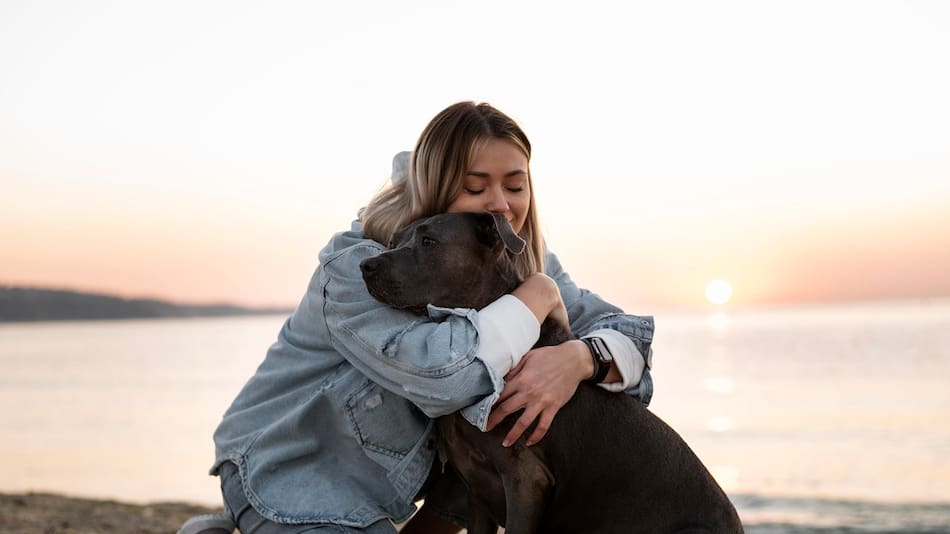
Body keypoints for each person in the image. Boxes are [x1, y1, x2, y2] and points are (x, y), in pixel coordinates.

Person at [197, 102, 654, 534]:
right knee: (479, 405)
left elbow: (632, 338)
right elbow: (447, 379)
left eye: (515, 186)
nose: (500, 203)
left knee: (493, 431)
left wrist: (579, 359)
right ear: (435, 186)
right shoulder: (358, 266)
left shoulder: (517, 260)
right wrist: (535, 299)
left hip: (392, 491)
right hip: (289, 474)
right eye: (474, 188)